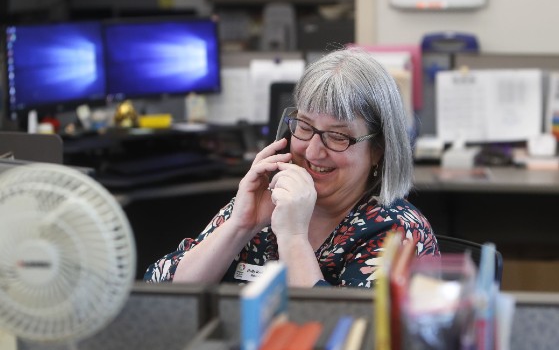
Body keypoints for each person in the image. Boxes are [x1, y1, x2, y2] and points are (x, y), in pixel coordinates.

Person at [144, 48, 439, 288]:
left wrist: (293, 237)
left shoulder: (398, 232)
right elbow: (164, 294)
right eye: (305, 127)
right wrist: (241, 225)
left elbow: (350, 338)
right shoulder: (268, 202)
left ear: (378, 150)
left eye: (337, 136)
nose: (312, 151)